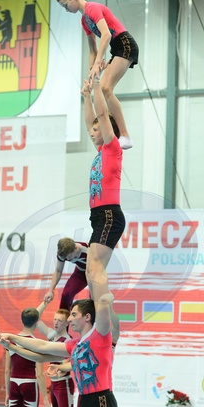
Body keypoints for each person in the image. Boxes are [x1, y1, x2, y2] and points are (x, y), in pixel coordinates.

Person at [57, 0, 139, 149]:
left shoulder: (92, 9)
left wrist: (97, 64)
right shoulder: (84, 21)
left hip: (124, 43)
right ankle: (121, 134)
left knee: (106, 89)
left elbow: (106, 35)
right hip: (116, 48)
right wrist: (91, 76)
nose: (66, 10)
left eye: (65, 5)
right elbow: (92, 50)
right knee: (102, 89)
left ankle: (125, 135)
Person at [82, 76, 126, 305]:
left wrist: (97, 85)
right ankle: (100, 311)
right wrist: (85, 97)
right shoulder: (101, 151)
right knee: (90, 273)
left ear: (108, 130)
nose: (92, 132)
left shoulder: (113, 148)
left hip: (109, 214)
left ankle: (102, 314)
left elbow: (101, 114)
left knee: (96, 269)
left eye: (96, 130)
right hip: (99, 216)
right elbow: (91, 120)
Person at [36, 299, 75, 407]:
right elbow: (36, 319)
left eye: (59, 320)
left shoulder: (68, 341)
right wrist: (45, 302)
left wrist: (60, 370)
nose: (56, 322)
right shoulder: (52, 336)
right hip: (54, 385)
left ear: (67, 323)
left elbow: (70, 363)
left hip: (64, 384)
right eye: (54, 319)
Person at [44, 237, 89, 310]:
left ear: (75, 248)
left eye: (69, 257)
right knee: (66, 295)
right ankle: (63, 316)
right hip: (80, 272)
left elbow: (95, 269)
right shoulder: (63, 253)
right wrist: (51, 290)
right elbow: (58, 271)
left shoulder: (87, 250)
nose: (67, 259)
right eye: (65, 258)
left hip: (94, 272)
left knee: (94, 298)